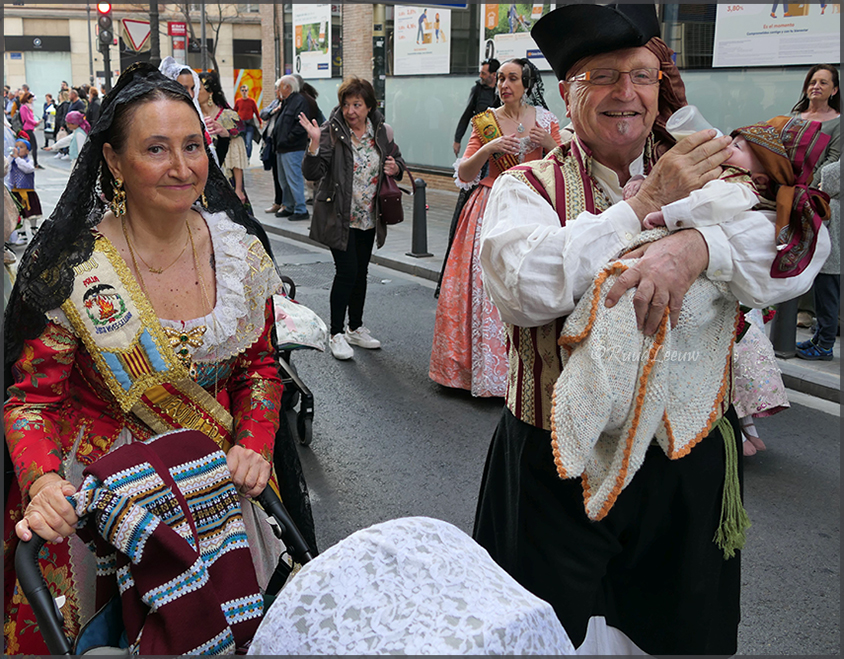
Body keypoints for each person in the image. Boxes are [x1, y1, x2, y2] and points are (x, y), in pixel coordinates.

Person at [471, 5, 831, 655]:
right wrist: (645, 205)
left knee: (680, 640)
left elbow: (800, 249)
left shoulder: (717, 165)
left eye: (639, 74)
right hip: (556, 468)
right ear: (570, 92)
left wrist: (696, 250)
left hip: (685, 468)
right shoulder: (525, 187)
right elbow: (527, 286)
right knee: (541, 641)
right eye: (601, 76)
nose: (625, 93)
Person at [3, 62, 316, 654]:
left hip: (218, 494)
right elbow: (30, 403)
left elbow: (261, 369)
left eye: (193, 145)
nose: (183, 167)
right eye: (156, 148)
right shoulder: (74, 268)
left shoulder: (239, 250)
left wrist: (254, 439)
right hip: (107, 507)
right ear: (115, 162)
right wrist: (42, 481)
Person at [431, 59, 561, 398]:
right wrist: (488, 147)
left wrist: (548, 143)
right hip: (489, 205)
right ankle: (475, 371)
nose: (504, 84)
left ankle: (524, 371)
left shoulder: (546, 121)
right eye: (500, 78)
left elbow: (566, 165)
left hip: (532, 207)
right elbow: (464, 174)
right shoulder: (484, 123)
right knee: (484, 286)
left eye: (512, 78)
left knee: (526, 283)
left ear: (526, 84)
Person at [299, 77, 407, 361]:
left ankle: (355, 328)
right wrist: (313, 143)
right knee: (347, 272)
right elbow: (312, 172)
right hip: (339, 216)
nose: (350, 110)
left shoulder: (381, 132)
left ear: (369, 106)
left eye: (357, 104)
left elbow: (397, 161)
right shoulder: (330, 133)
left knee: (361, 273)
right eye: (346, 104)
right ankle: (336, 333)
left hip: (369, 216)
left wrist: (396, 168)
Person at [798, 159, 840, 360]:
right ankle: (819, 340)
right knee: (825, 302)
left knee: (826, 303)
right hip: (833, 261)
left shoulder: (835, 204)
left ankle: (825, 346)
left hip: (831, 262)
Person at [198, 71, 250, 207]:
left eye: (198, 88)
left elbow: (236, 155)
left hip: (225, 179)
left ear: (210, 92)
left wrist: (238, 189)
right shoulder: (193, 116)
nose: (194, 92)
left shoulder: (228, 116)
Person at [273, 75, 312, 221]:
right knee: (284, 180)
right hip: (282, 148)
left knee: (294, 179)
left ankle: (301, 209)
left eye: (280, 86)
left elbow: (300, 125)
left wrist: (287, 139)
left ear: (287, 87)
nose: (278, 89)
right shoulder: (286, 102)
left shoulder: (298, 101)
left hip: (292, 148)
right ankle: (289, 206)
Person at [790, 64, 840, 177]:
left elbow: (833, 159)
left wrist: (810, 188)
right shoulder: (791, 119)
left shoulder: (838, 122)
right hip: (783, 186)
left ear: (834, 90)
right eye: (812, 83)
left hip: (814, 188)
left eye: (823, 83)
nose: (816, 86)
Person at [453, 59, 501, 157]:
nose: (480, 76)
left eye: (484, 73)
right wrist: (457, 139)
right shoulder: (477, 90)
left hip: (498, 139)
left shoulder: (501, 91)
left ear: (494, 75)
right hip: (480, 137)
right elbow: (467, 114)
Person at [7, 135, 43, 241]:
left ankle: (33, 227)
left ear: (27, 151)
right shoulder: (12, 161)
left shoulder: (28, 161)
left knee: (32, 212)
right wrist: (11, 157)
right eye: (16, 146)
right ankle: (22, 233)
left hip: (28, 191)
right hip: (16, 191)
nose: (18, 149)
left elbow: (28, 169)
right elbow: (6, 167)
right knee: (19, 214)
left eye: (21, 147)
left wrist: (17, 158)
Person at [260, 78, 284, 215]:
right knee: (275, 174)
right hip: (271, 143)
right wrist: (273, 111)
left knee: (283, 177)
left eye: (278, 89)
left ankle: (285, 203)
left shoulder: (288, 104)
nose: (276, 92)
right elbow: (263, 113)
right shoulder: (276, 103)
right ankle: (277, 202)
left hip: (280, 145)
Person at [234, 82, 261, 160]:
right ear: (240, 92)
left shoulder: (252, 101)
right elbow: (234, 111)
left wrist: (260, 122)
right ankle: (244, 157)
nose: (244, 92)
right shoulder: (238, 101)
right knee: (243, 142)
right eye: (243, 90)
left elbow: (256, 112)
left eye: (245, 90)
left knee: (249, 142)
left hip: (250, 124)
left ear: (248, 91)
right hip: (241, 124)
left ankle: (248, 157)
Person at [17, 92, 42, 169]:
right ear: (27, 99)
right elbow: (27, 119)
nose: (32, 101)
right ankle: (35, 163)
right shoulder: (24, 107)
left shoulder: (28, 107)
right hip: (27, 129)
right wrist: (35, 123)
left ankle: (32, 162)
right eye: (31, 99)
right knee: (33, 146)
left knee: (29, 146)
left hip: (29, 128)